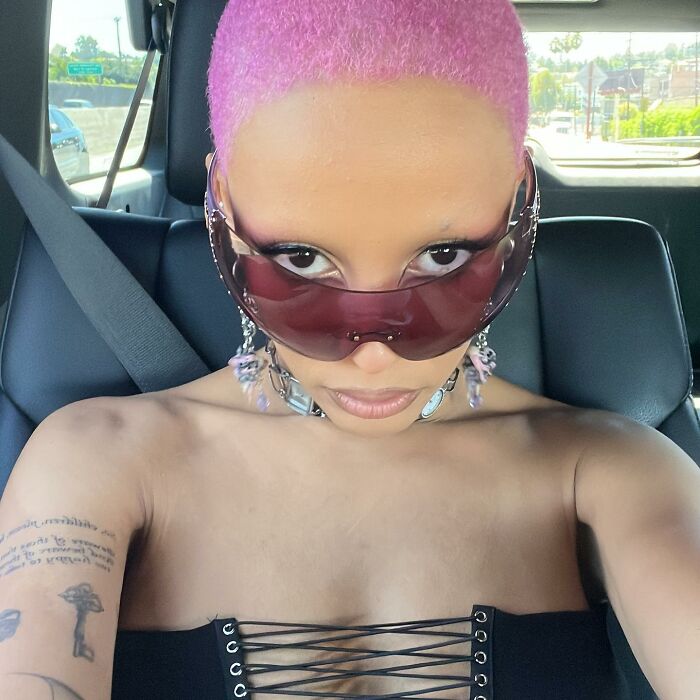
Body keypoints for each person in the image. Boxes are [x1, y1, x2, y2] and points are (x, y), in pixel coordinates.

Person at [0, 0, 698, 698]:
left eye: (444, 256)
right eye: (301, 259)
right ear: (223, 206)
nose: (372, 355)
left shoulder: (612, 473)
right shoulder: (96, 464)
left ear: (518, 200)